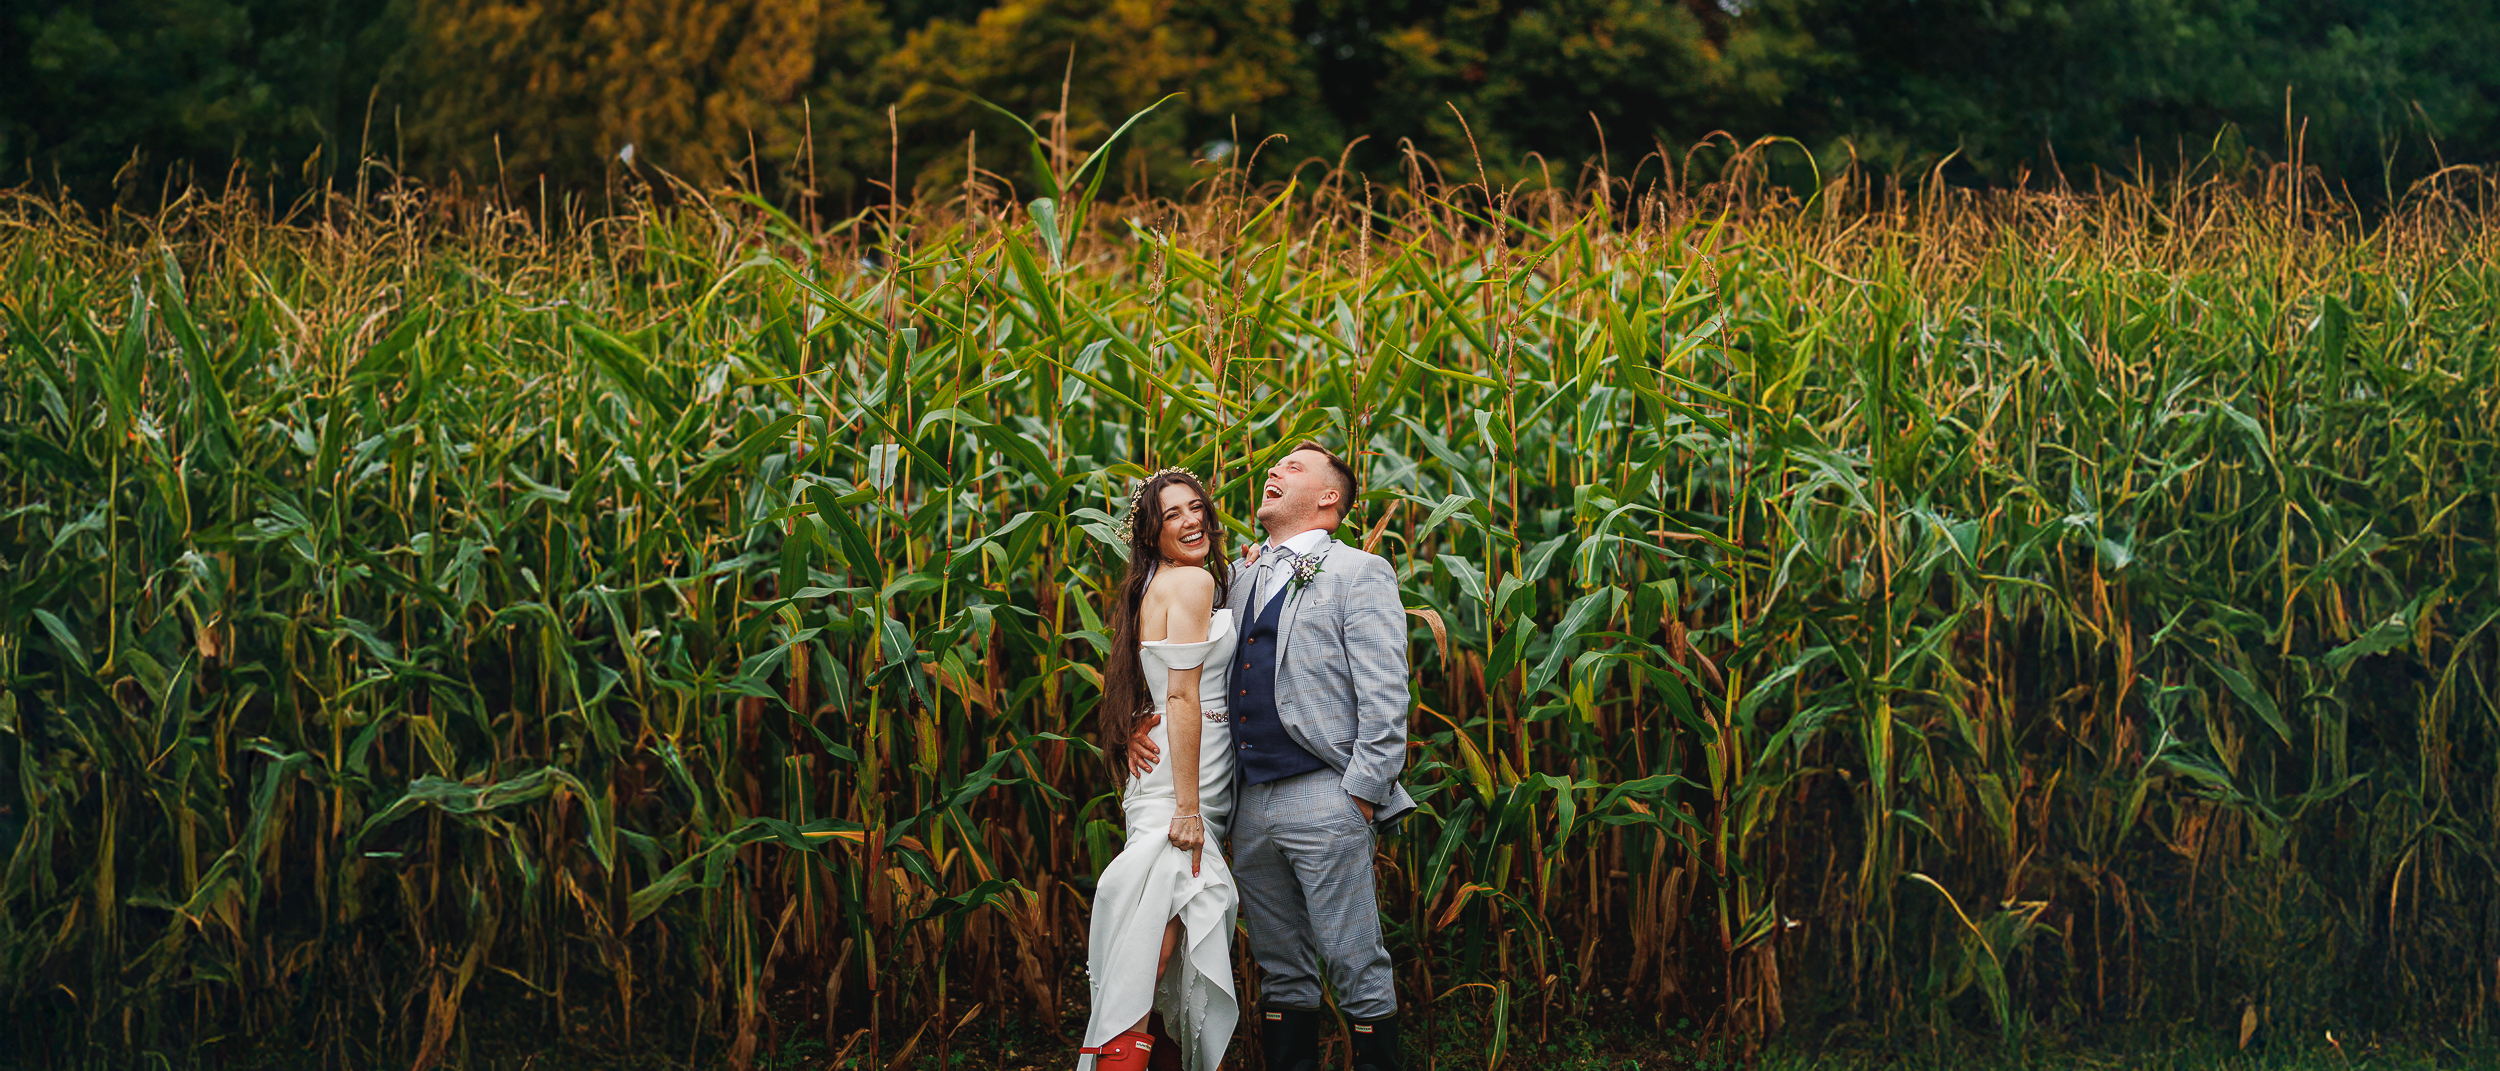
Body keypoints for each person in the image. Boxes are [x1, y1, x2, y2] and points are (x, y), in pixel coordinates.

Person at [1127, 440, 1414, 1071]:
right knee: (1282, 971)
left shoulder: (1358, 573)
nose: (1273, 472)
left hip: (1327, 794)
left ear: (1329, 497)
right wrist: (1133, 722)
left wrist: (1360, 795)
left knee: (1356, 961)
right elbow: (1176, 664)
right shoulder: (1240, 574)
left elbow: (1387, 697)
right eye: (1275, 464)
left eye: (1293, 467)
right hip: (1249, 805)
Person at [1077, 468, 1241, 1071]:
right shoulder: (1192, 581)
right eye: (1172, 514)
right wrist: (1189, 809)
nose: (1191, 520)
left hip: (1178, 764)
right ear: (1150, 532)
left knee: (1166, 921)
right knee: (1164, 925)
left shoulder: (1162, 584)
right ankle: (1120, 1054)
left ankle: (1139, 1056)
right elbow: (1179, 696)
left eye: (1196, 507)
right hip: (1185, 776)